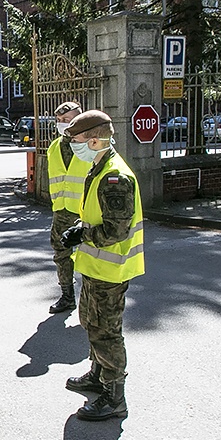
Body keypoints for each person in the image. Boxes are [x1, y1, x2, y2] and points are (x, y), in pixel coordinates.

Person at [60, 110, 144, 421]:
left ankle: (114, 398)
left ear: (95, 140)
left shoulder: (114, 177)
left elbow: (115, 231)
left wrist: (84, 233)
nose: (73, 145)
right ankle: (98, 375)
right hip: (96, 268)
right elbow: (99, 216)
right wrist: (82, 226)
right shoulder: (98, 169)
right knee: (93, 326)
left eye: (77, 140)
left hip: (110, 270)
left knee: (107, 333)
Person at [46, 101, 89, 313]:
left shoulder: (90, 145)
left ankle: (91, 300)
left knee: (91, 256)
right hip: (62, 210)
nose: (63, 124)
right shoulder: (54, 147)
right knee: (61, 254)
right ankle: (67, 296)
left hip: (87, 211)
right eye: (60, 120)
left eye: (68, 120)